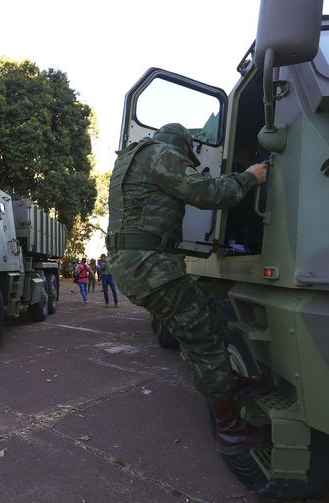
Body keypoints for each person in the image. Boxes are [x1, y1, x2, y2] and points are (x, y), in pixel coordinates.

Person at [106, 123, 270, 453]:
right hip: (151, 268)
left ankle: (230, 383)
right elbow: (208, 193)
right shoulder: (161, 154)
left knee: (208, 312)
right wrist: (251, 176)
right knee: (204, 342)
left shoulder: (132, 159)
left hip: (139, 266)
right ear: (181, 145)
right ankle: (230, 429)